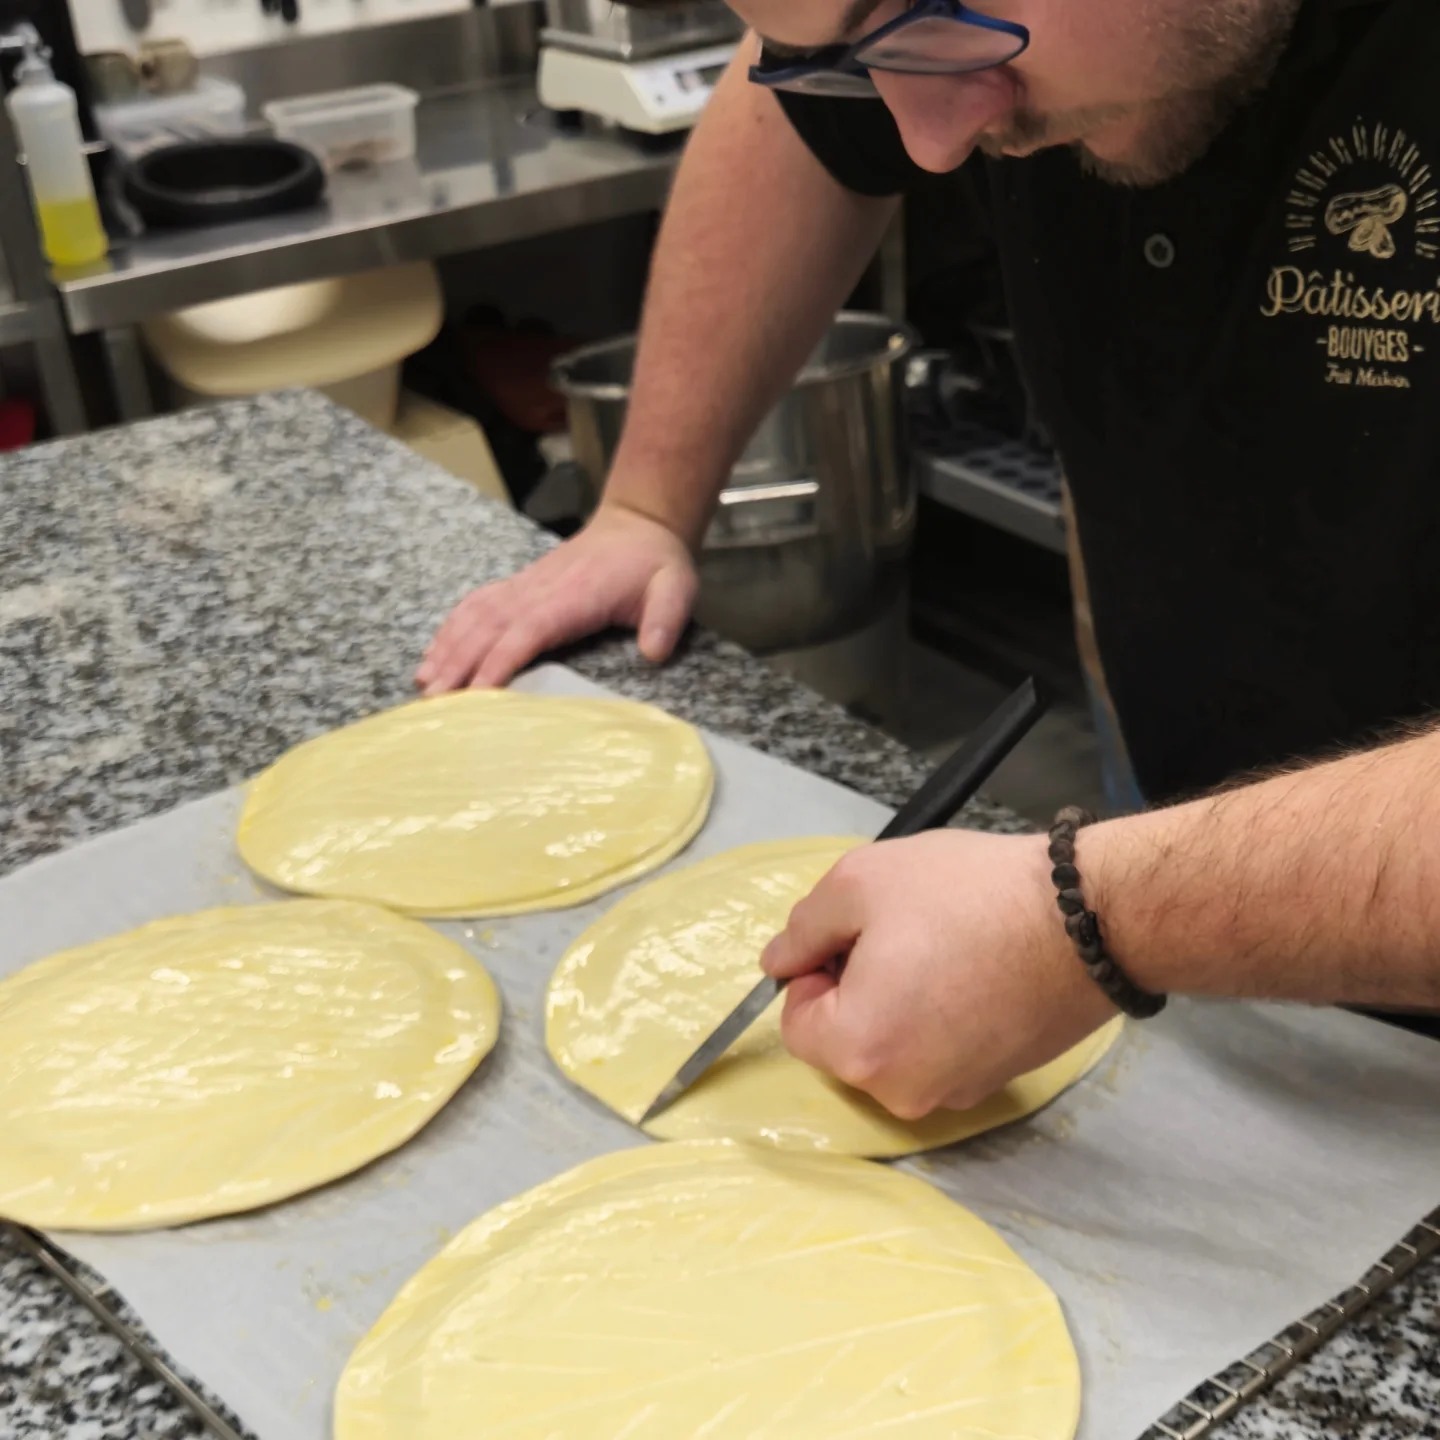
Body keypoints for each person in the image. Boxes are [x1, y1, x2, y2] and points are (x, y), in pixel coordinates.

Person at [418, 0, 1440, 1119]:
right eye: (857, 55)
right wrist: (647, 504)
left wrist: (1097, 920)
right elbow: (803, 126)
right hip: (1204, 882)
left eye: (927, 11)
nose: (929, 142)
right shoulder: (961, 64)